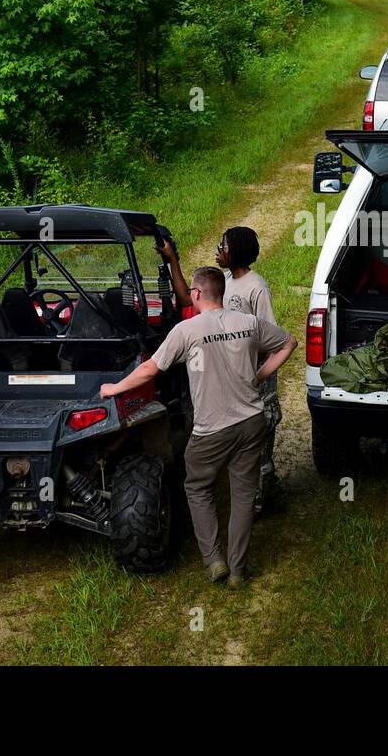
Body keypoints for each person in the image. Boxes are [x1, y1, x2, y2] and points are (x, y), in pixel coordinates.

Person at [101, 266, 297, 587]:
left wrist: (114, 388)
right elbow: (289, 343)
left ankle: (214, 559)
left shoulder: (186, 330)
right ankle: (238, 570)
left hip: (212, 430)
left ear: (195, 295)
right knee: (243, 495)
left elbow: (151, 369)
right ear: (223, 293)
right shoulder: (248, 323)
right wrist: (259, 375)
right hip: (250, 422)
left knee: (197, 487)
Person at [159, 226, 286, 514]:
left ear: (237, 251)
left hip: (252, 377)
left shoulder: (257, 287)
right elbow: (185, 299)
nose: (218, 249)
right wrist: (172, 261)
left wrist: (254, 372)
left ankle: (258, 504)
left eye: (223, 245)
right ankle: (263, 492)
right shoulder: (224, 282)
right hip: (232, 375)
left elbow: (269, 338)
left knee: (259, 442)